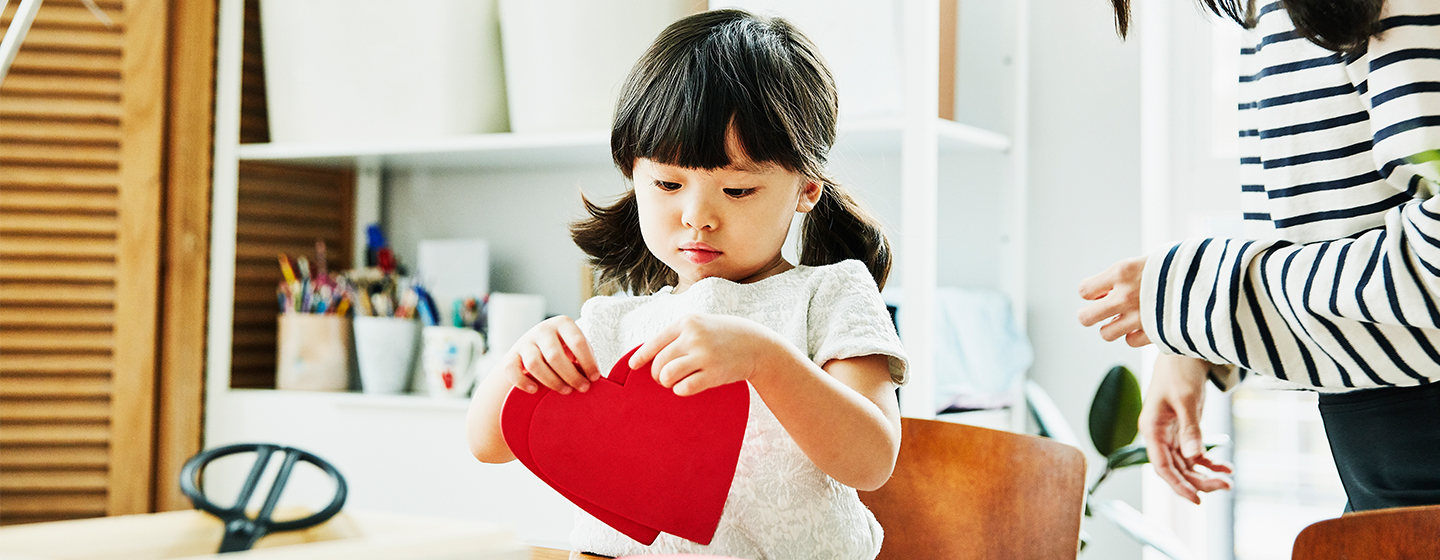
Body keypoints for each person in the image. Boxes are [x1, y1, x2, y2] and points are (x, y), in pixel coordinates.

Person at [465, 10, 908, 559]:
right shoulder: (615, 321)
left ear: (806, 189)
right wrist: (521, 364)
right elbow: (489, 444)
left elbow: (871, 460)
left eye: (739, 190)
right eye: (669, 183)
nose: (697, 216)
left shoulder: (832, 294)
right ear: (634, 175)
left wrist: (764, 359)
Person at [1079, 0, 1440, 512]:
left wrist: (1200, 296)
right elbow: (1333, 222)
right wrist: (1200, 334)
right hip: (1383, 451)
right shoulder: (1271, 11)